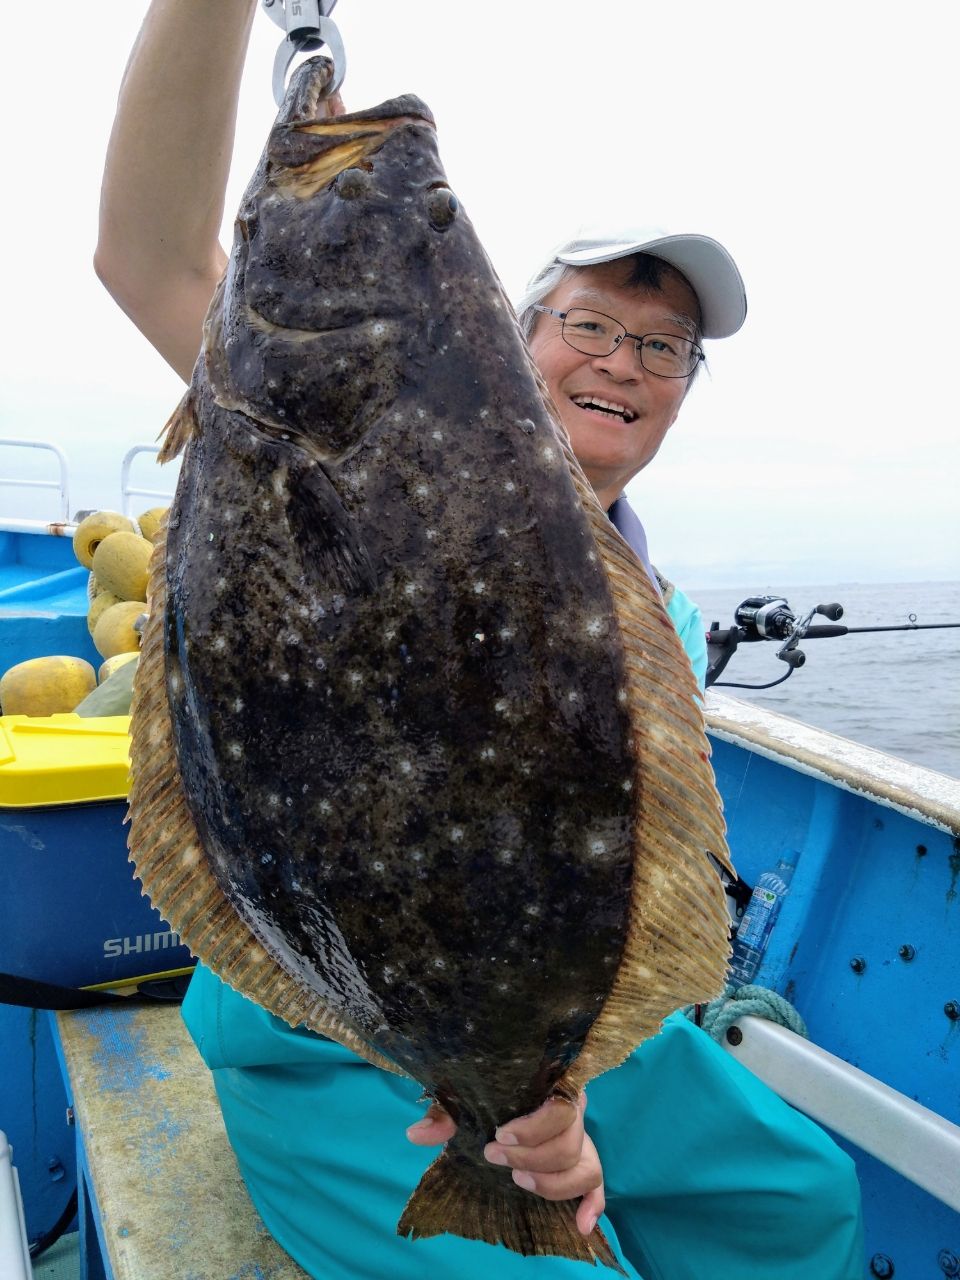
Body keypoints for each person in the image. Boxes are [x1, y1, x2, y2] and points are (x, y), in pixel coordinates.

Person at [95, 4, 865, 1277]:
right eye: (591, 322)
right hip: (330, 1021)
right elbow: (145, 253)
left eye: (665, 345)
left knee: (800, 1206)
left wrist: (555, 1096)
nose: (626, 359)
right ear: (508, 334)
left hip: (556, 1024)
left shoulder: (654, 602)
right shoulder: (310, 408)